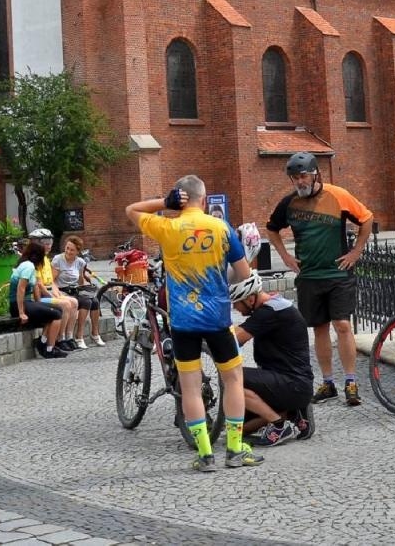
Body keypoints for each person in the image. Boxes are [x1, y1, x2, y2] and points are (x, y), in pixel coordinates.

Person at [126, 175, 261, 472]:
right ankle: (235, 450)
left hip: (183, 321)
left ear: (179, 199)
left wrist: (165, 203)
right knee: (233, 380)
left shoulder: (168, 227)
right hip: (217, 318)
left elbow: (131, 210)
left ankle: (205, 455)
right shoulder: (221, 228)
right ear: (205, 198)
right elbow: (243, 273)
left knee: (190, 388)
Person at [265, 151, 375, 407]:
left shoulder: (338, 195)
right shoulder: (289, 203)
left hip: (338, 273)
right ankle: (328, 382)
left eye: (303, 176)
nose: (299, 181)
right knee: (320, 328)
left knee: (342, 325)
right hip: (309, 276)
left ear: (315, 174)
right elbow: (271, 229)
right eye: (295, 178)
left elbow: (367, 218)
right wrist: (286, 257)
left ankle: (351, 382)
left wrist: (356, 252)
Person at [229, 272, 314, 446]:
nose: (235, 308)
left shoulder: (269, 313)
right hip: (291, 382)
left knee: (231, 379)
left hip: (292, 383)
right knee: (240, 428)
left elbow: (235, 339)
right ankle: (291, 412)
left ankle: (278, 424)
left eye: (236, 303)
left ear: (250, 299)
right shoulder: (275, 305)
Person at [10, 241, 65, 358]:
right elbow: (21, 289)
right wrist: (21, 313)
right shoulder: (28, 266)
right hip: (18, 305)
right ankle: (49, 349)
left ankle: (43, 341)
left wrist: (40, 305)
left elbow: (35, 287)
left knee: (58, 309)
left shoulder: (31, 267)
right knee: (56, 314)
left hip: (27, 302)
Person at [28, 228, 79, 349]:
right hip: (38, 297)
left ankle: (68, 336)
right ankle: (59, 338)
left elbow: (51, 281)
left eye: (50, 242)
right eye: (45, 243)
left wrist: (57, 293)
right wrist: (52, 295)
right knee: (65, 304)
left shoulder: (46, 259)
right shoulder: (35, 261)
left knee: (74, 302)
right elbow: (39, 284)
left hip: (48, 291)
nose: (49, 245)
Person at [52, 235, 103, 347]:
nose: (68, 251)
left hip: (75, 290)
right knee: (86, 302)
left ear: (77, 252)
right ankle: (79, 336)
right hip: (63, 290)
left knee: (94, 301)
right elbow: (52, 279)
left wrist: (85, 290)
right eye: (67, 248)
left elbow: (80, 280)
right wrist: (56, 292)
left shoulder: (80, 262)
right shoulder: (58, 260)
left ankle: (95, 333)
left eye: (72, 250)